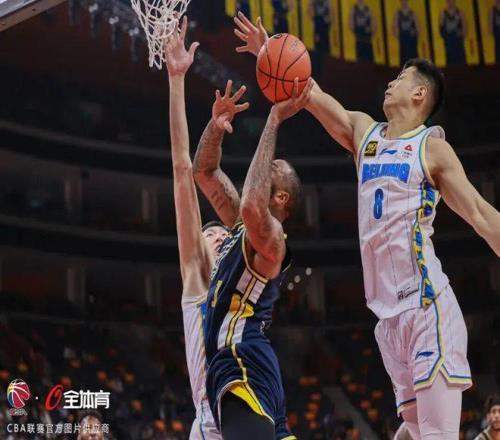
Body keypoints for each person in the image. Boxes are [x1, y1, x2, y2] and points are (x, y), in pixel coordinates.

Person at [234, 18, 500, 440]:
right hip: (387, 320)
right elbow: (307, 90)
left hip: (426, 306)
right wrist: (270, 53)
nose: (390, 83)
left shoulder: (432, 148)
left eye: (400, 78)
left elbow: (482, 216)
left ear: (420, 93)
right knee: (415, 432)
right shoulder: (364, 133)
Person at [193, 78, 312, 440]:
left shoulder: (272, 240)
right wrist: (216, 127)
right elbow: (204, 173)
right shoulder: (242, 229)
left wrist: (274, 119)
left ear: (281, 199)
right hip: (245, 366)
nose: (263, 165)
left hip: (241, 362)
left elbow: (250, 204)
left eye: (270, 169)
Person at [164, 16, 231, 439]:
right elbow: (181, 168)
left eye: (223, 233)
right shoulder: (197, 280)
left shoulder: (243, 282)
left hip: (251, 413)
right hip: (210, 427)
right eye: (211, 234)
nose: (219, 236)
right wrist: (176, 81)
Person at [392, 0, 420, 66]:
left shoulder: (412, 13)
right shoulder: (398, 14)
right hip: (403, 40)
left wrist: (415, 33)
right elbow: (394, 28)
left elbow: (418, 28)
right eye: (402, 1)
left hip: (412, 41)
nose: (404, 2)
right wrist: (399, 36)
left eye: (405, 1)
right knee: (404, 61)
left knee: (414, 61)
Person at [439, 0, 467, 65]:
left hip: (458, 45)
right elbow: (441, 32)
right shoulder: (443, 14)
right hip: (449, 45)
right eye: (449, 1)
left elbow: (465, 32)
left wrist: (460, 33)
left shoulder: (460, 13)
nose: (450, 2)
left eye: (452, 1)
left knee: (461, 64)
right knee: (450, 64)